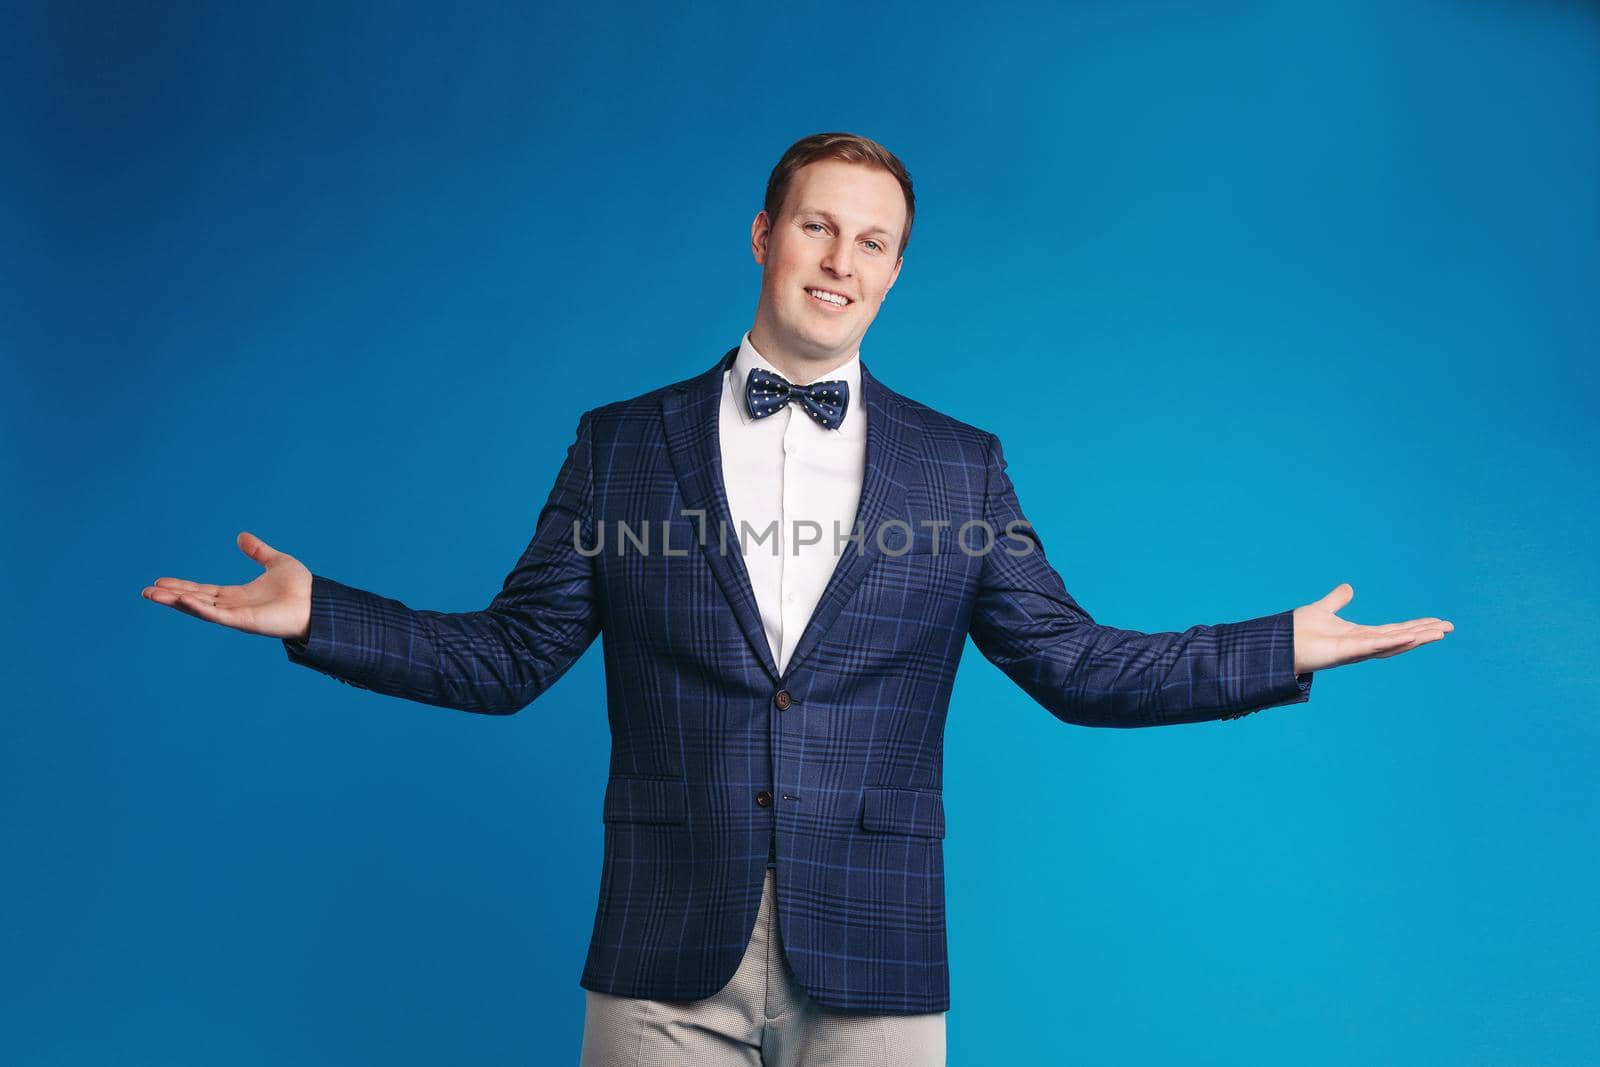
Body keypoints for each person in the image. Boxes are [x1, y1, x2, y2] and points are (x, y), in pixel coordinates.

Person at [141, 131, 1454, 1066]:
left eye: (873, 241)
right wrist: (319, 615)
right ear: (766, 235)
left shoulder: (960, 465)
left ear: (893, 272)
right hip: (663, 953)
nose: (841, 258)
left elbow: (1077, 666)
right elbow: (508, 658)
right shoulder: (621, 445)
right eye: (819, 225)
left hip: (875, 949)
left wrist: (1279, 645)